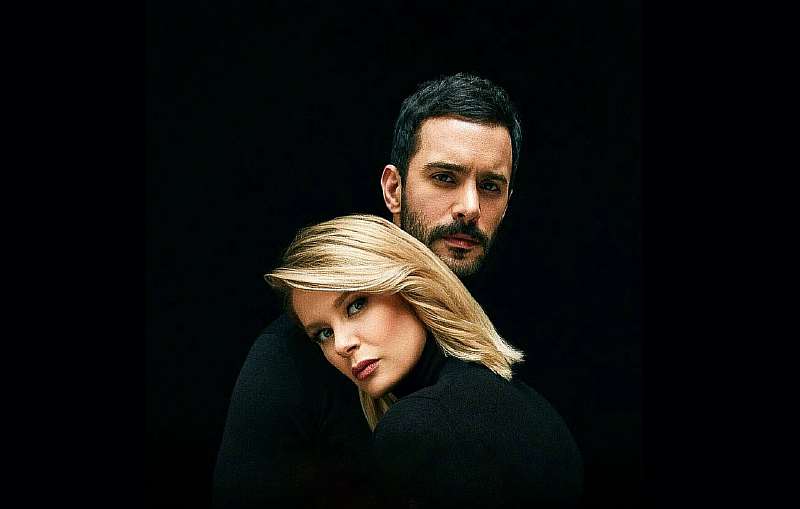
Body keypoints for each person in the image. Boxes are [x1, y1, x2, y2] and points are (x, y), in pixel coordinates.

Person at [213, 73, 576, 507]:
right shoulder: (290, 357)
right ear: (393, 189)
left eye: (490, 186)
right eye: (444, 177)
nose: (470, 207)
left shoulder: (491, 360)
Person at [266, 214, 583, 508]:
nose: (341, 345)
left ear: (412, 287)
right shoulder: (514, 395)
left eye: (356, 305)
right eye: (323, 333)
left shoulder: (418, 426)